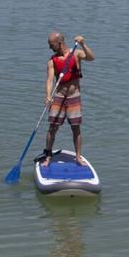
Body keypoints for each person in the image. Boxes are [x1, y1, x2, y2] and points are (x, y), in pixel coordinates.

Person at [42, 32, 94, 166]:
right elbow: (49, 80)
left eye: (51, 45)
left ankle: (78, 157)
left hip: (74, 95)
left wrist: (83, 44)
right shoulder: (52, 61)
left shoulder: (76, 53)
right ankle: (48, 156)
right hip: (59, 96)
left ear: (59, 43)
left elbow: (91, 57)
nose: (49, 47)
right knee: (52, 127)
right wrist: (48, 95)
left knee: (76, 128)